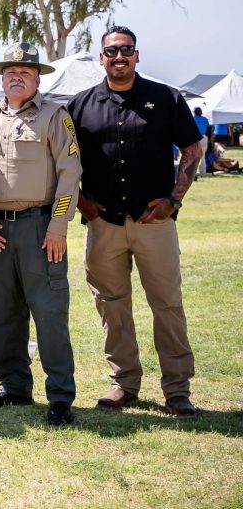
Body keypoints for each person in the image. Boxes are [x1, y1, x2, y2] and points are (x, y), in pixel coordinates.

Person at [67, 25, 202, 418]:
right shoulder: (79, 105)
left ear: (137, 55)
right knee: (111, 305)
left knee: (167, 304)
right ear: (102, 58)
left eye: (126, 50)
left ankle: (177, 389)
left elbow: (192, 149)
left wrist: (174, 200)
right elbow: (58, 161)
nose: (119, 57)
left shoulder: (165, 98)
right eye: (111, 52)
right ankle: (124, 382)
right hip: (103, 223)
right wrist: (80, 203)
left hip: (153, 222)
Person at [0, 42, 82, 426]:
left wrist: (58, 226)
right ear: (2, 78)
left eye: (26, 72)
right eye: (10, 72)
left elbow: (70, 174)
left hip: (40, 228)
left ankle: (60, 397)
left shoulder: (55, 116)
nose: (17, 77)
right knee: (2, 313)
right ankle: (14, 386)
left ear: (37, 79)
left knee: (49, 314)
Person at [193, 107, 210, 177]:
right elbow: (208, 127)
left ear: (194, 112)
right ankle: (203, 173)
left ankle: (195, 173)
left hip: (196, 138)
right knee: (203, 156)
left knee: (195, 156)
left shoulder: (193, 119)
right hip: (204, 137)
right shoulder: (205, 119)